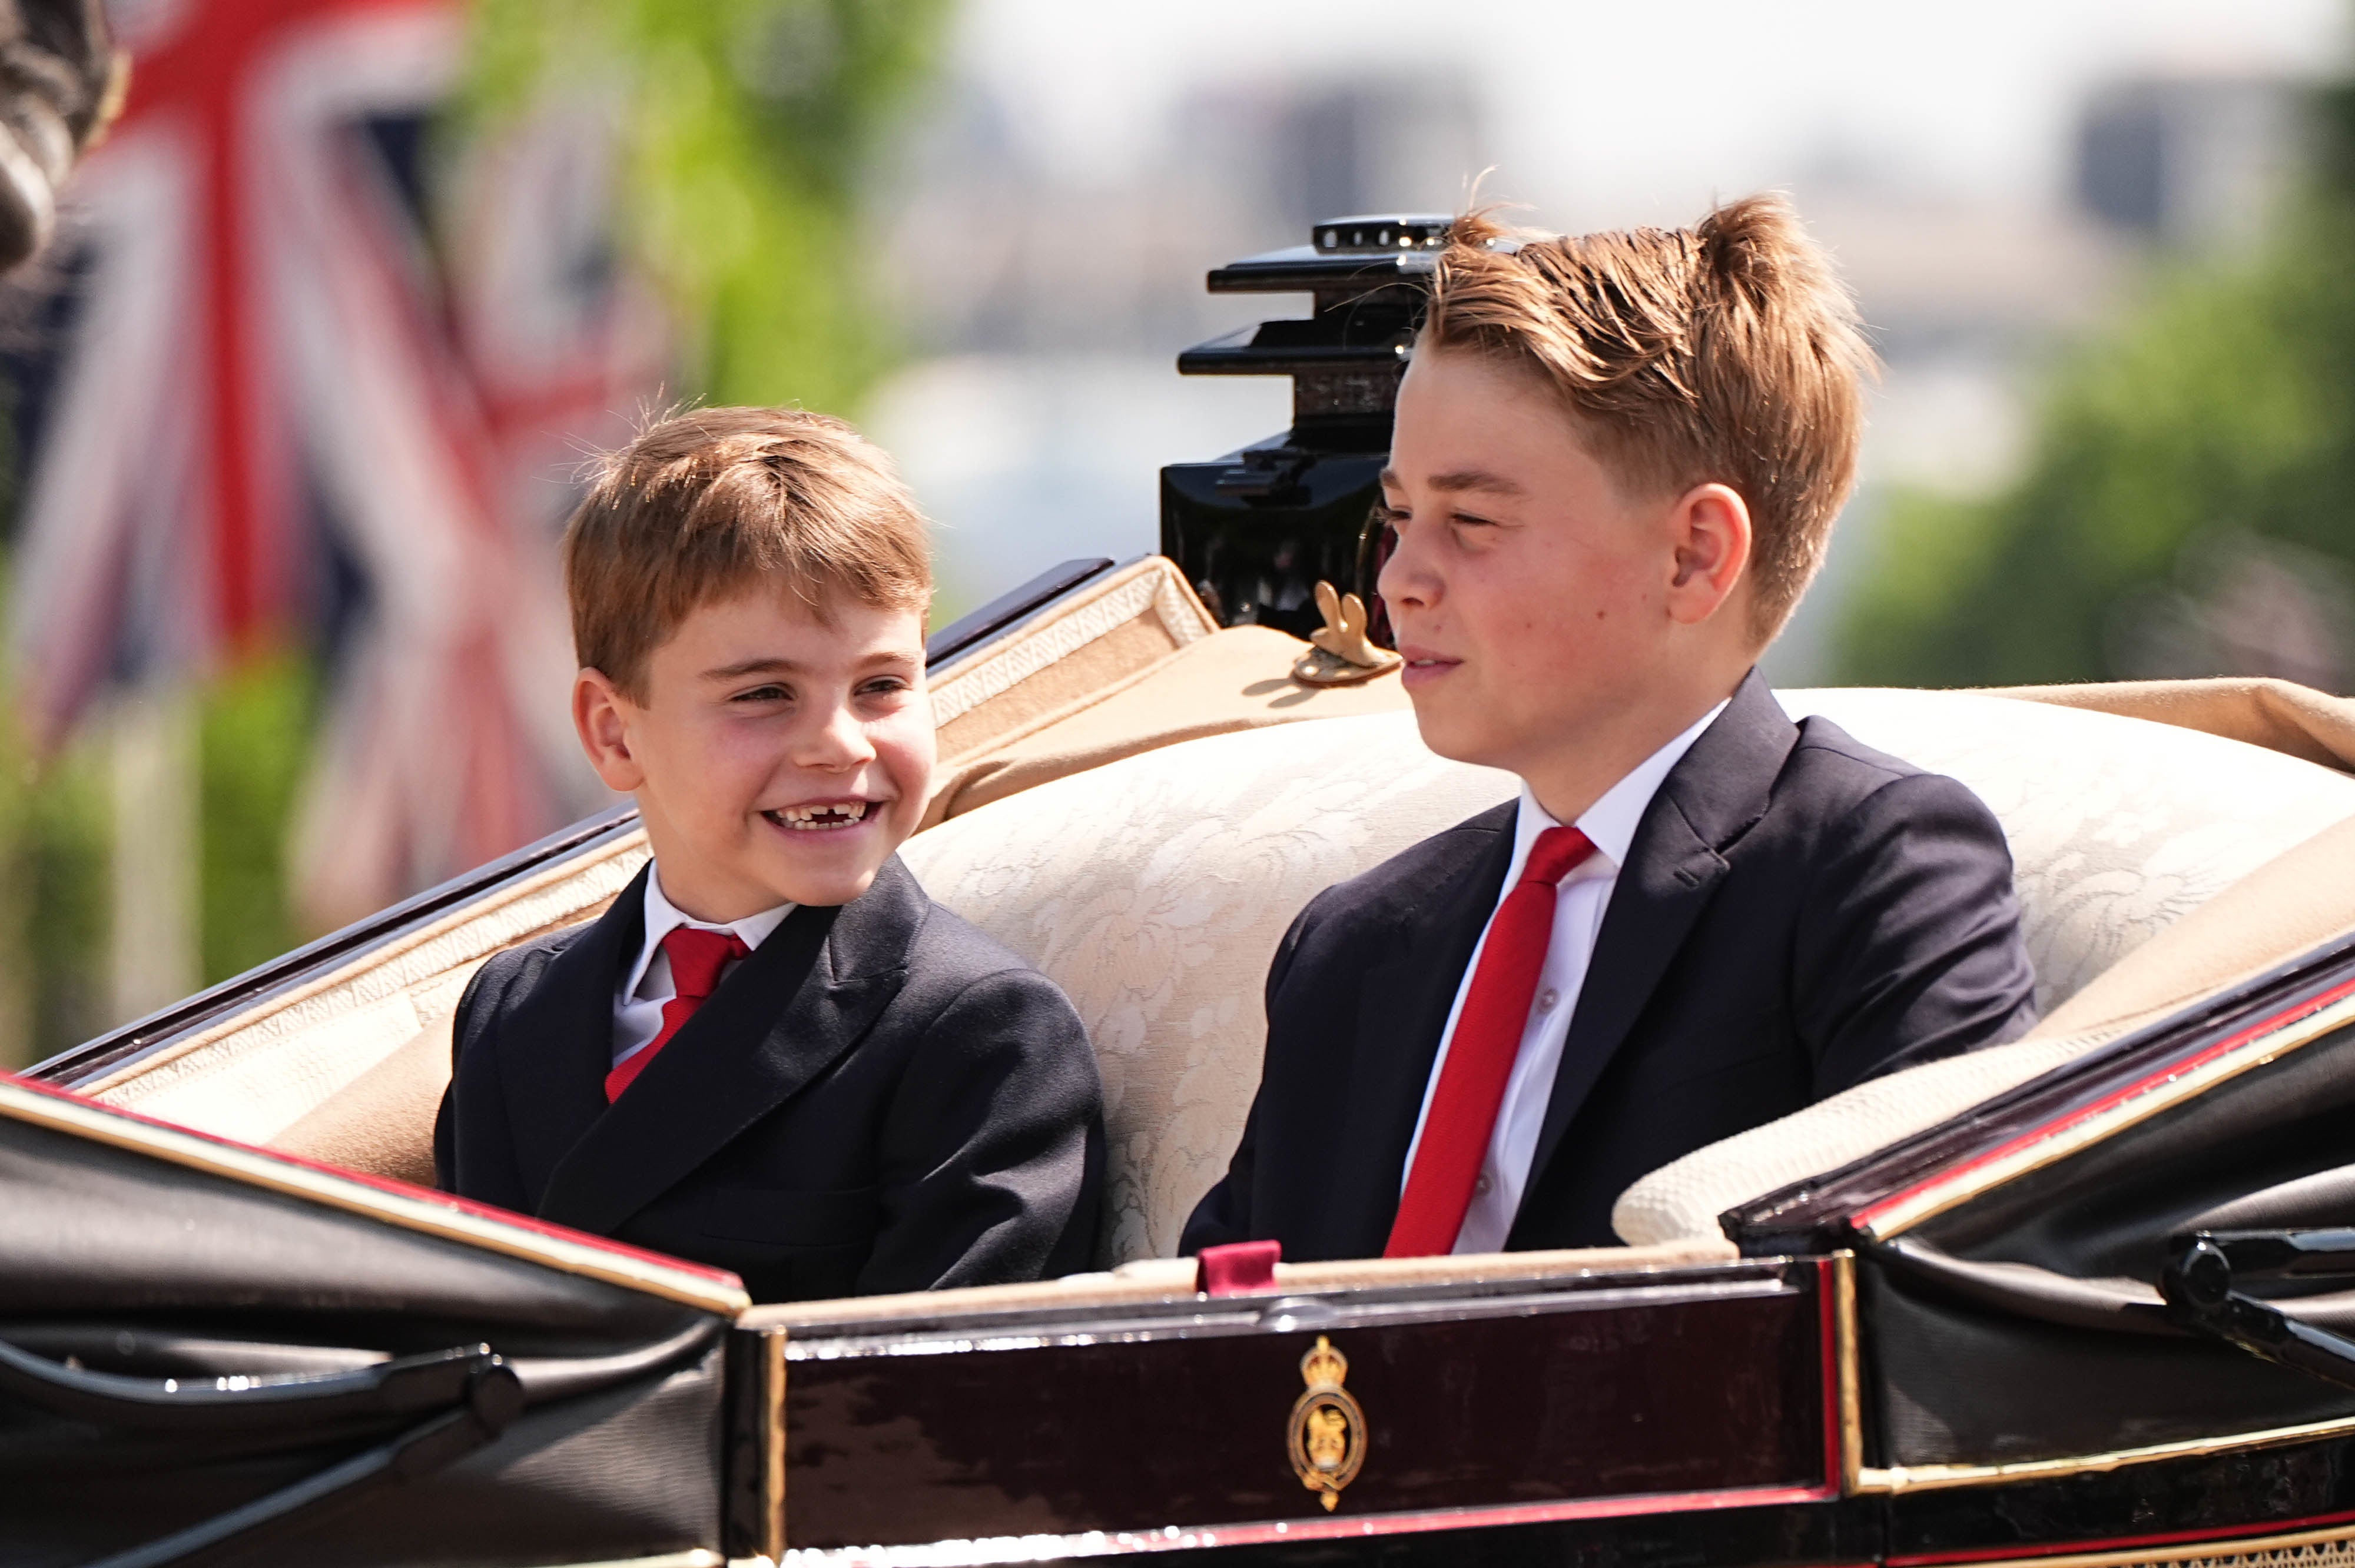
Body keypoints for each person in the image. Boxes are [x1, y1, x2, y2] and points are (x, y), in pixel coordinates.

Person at [1182, 196, 2038, 1262]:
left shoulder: (1872, 869)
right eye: (1396, 518)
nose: (1398, 578)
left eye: (1474, 521)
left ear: (1693, 557)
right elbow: (1207, 1341)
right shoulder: (1354, 946)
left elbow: (1933, 1308)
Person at [435, 406, 1104, 1303]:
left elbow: (931, 1408)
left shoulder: (981, 1038)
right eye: (763, 694)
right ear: (614, 732)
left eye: (881, 686)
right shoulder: (513, 1010)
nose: (839, 744)